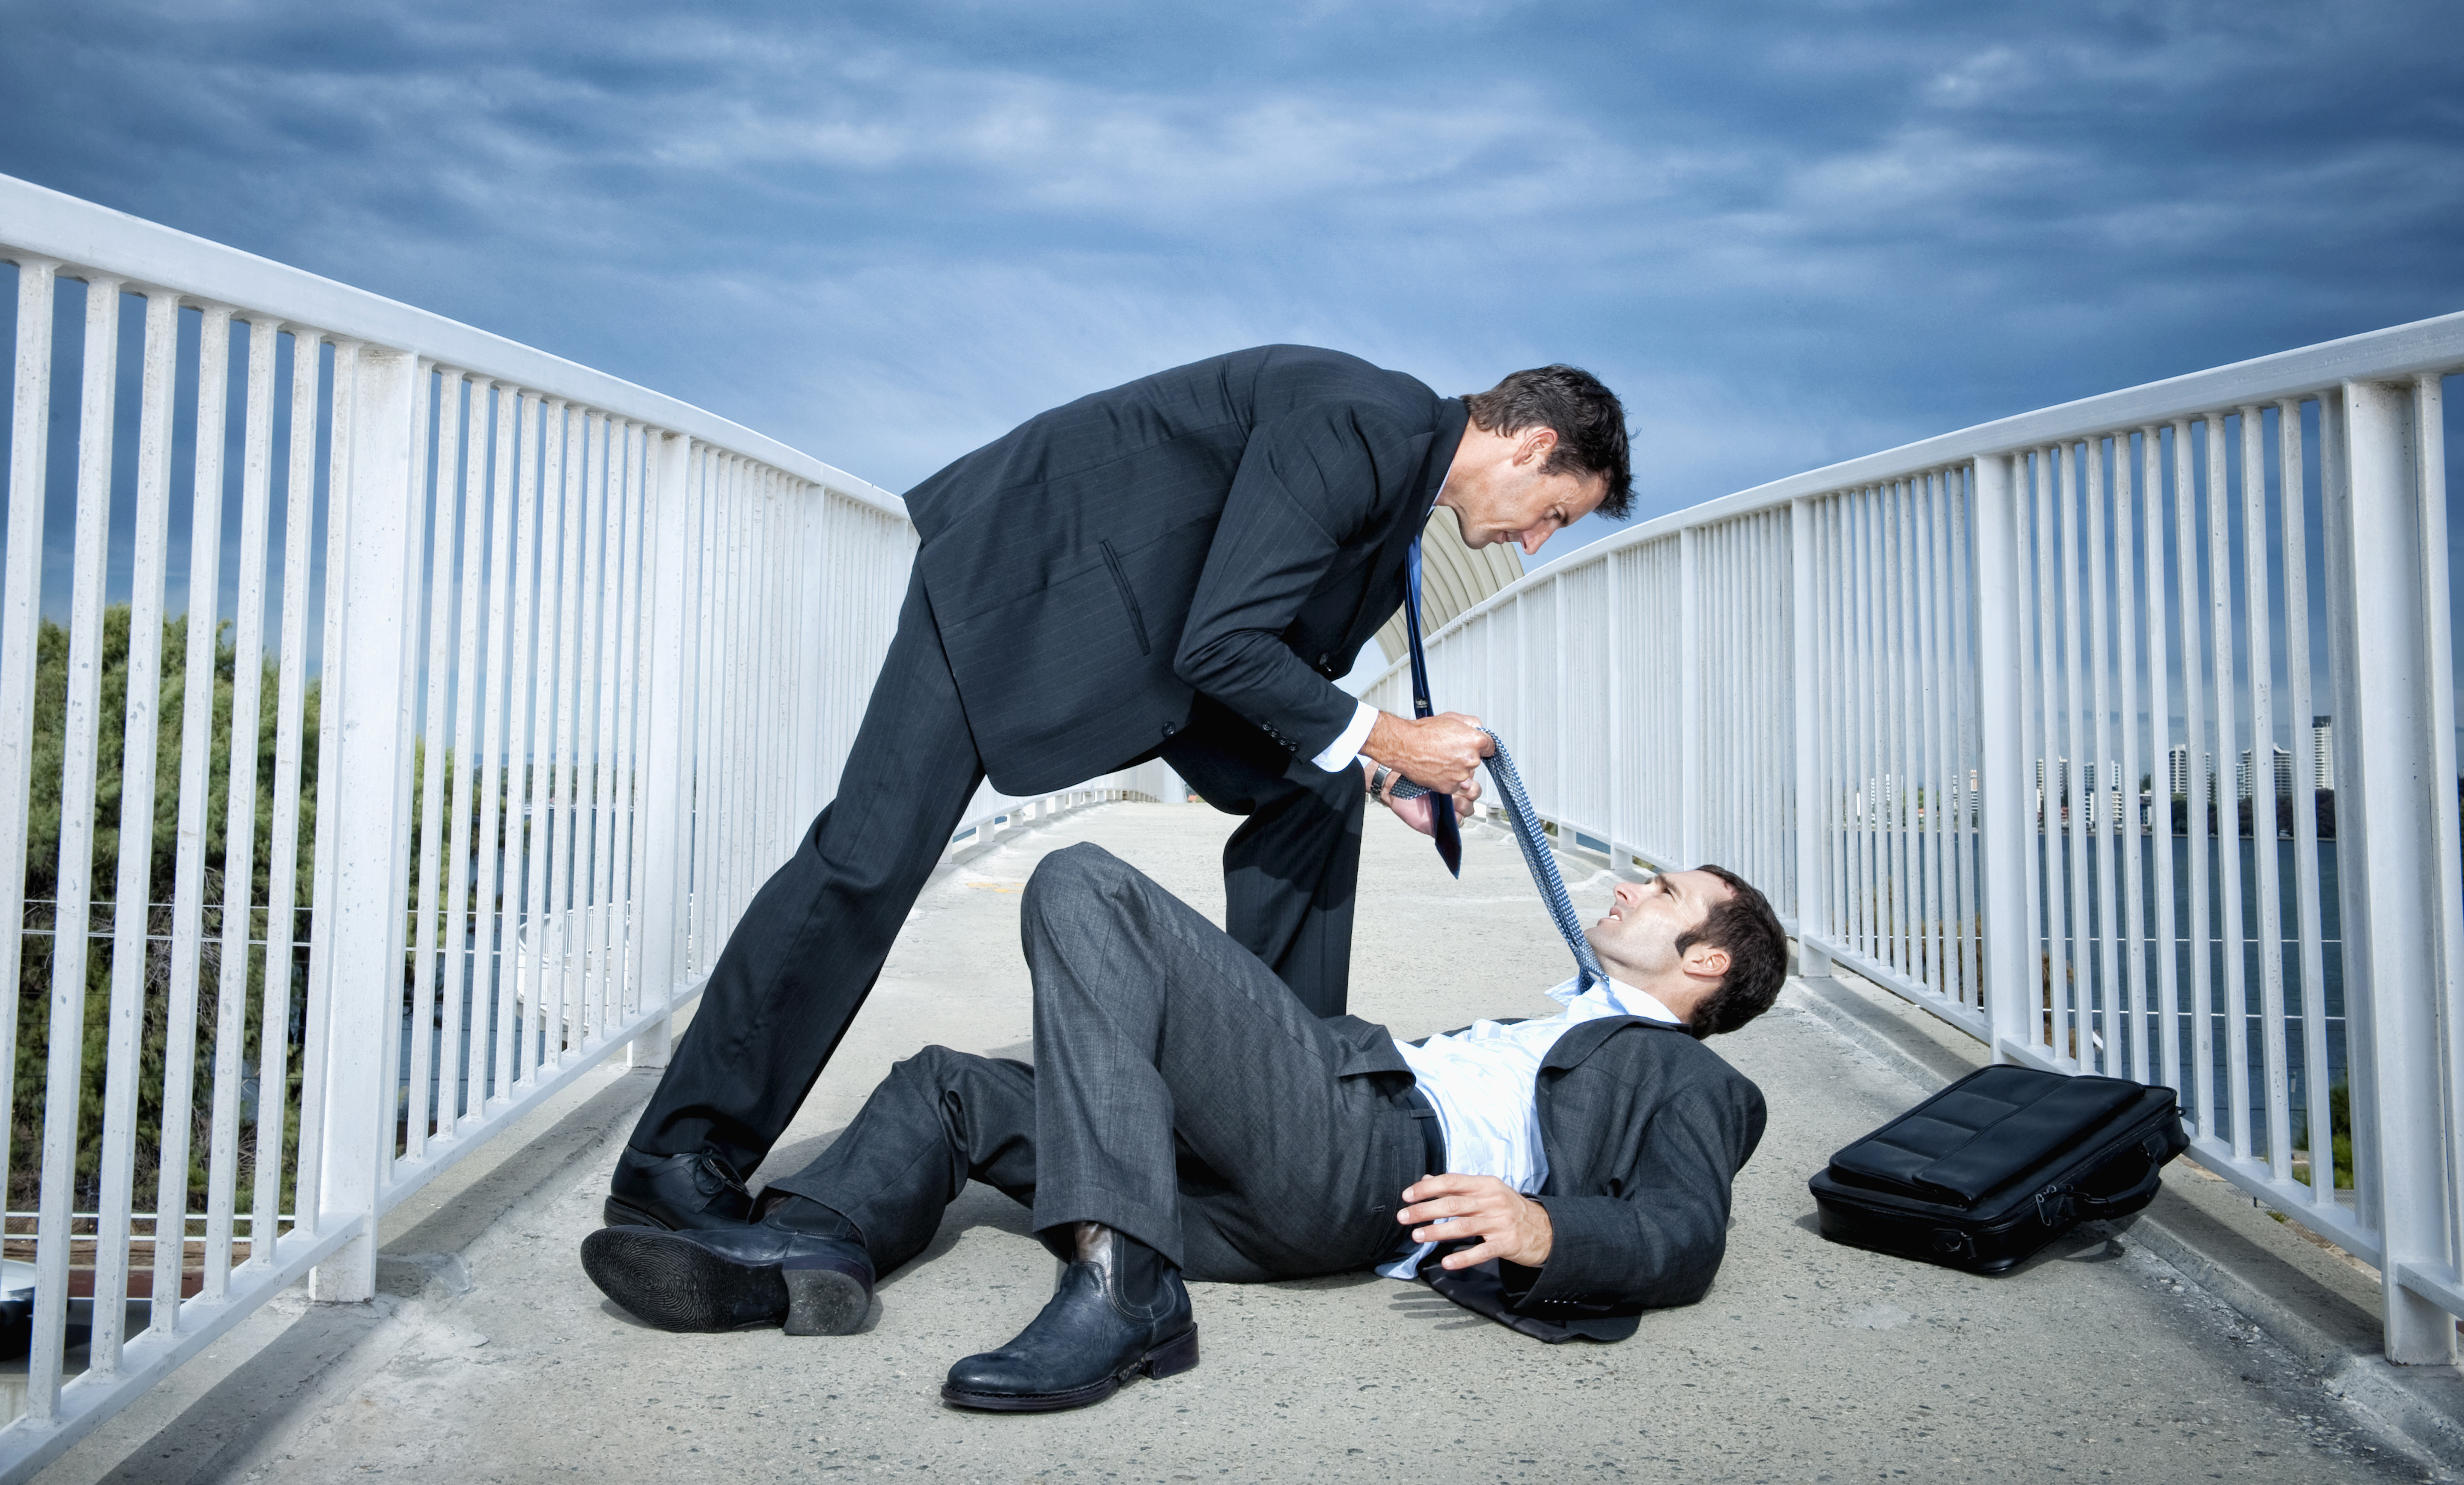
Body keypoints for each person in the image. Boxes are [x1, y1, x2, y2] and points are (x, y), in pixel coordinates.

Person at [605, 347, 1633, 1238]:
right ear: (1534, 445)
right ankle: (677, 1161)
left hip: (1162, 645)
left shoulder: (1400, 479)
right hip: (1025, 583)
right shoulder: (1365, 421)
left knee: (1311, 798)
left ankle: (1276, 1112)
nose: (1537, 540)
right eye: (1553, 514)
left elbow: (1260, 644)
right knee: (865, 861)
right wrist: (1396, 737)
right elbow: (1230, 639)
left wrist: (1368, 761)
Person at [580, 839, 1784, 1412]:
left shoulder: (1684, 1078)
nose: (1630, 887)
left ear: (1706, 959)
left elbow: (1684, 1233)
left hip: (1361, 1151)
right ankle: (809, 1249)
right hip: (1277, 1196)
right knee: (955, 1084)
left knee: (1085, 883)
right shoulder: (1552, 1021)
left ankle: (1124, 1292)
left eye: (1664, 894)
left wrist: (1542, 1226)